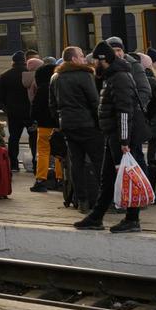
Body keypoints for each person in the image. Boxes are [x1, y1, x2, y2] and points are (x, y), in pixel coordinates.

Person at [74, 42, 143, 234]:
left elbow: (124, 111)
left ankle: (132, 218)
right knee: (108, 178)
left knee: (127, 177)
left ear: (103, 60)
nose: (93, 63)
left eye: (95, 60)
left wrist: (123, 141)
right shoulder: (111, 76)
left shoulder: (119, 77)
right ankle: (96, 217)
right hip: (112, 135)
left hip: (120, 137)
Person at [51, 45, 100, 214]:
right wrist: (100, 123)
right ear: (73, 59)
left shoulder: (56, 77)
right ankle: (103, 200)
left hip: (68, 126)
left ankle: (82, 201)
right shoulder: (85, 75)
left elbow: (52, 104)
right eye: (81, 55)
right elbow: (94, 102)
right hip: (88, 126)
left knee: (76, 163)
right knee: (98, 162)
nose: (84, 58)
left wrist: (60, 122)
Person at [0, 51, 33, 173]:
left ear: (13, 62)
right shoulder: (31, 74)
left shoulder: (5, 75)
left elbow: (0, 98)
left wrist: (7, 109)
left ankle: (13, 164)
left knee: (14, 139)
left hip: (13, 113)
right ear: (24, 60)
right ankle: (35, 163)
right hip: (30, 112)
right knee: (33, 138)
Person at [30, 57, 60, 192]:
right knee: (59, 152)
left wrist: (36, 119)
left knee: (43, 152)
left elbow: (34, 109)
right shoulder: (58, 86)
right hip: (58, 126)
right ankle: (60, 179)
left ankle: (41, 180)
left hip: (43, 126)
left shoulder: (41, 89)